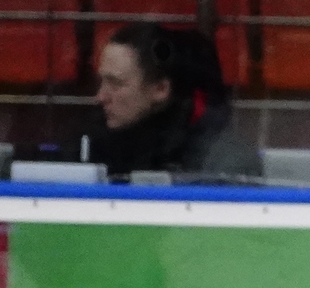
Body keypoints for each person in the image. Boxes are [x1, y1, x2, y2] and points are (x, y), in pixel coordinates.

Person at [88, 22, 258, 182]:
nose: (101, 97)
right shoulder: (92, 145)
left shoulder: (222, 165)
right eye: (101, 82)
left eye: (116, 84)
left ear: (160, 89)